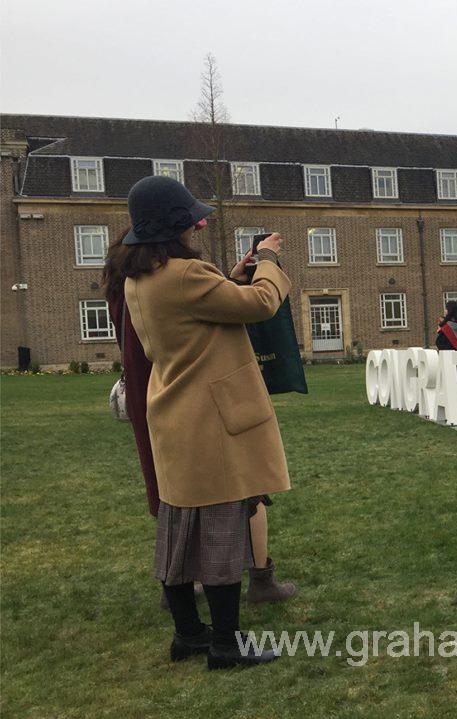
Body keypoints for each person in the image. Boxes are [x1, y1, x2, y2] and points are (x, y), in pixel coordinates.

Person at [118, 175, 292, 669]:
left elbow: (200, 310)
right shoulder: (185, 274)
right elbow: (259, 305)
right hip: (210, 421)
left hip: (173, 417)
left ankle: (189, 636)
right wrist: (270, 261)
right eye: (191, 218)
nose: (199, 223)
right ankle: (225, 646)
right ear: (174, 225)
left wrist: (232, 276)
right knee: (219, 537)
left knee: (177, 535)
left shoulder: (139, 277)